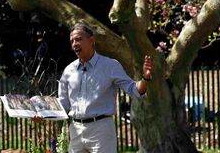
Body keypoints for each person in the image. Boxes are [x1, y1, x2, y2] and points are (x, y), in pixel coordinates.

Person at [58, 22, 152, 153]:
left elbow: (135, 90)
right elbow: (62, 105)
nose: (74, 44)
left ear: (92, 40)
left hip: (101, 129)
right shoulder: (68, 70)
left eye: (78, 39)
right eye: (72, 41)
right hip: (76, 130)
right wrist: (43, 114)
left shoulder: (110, 66)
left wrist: (145, 78)